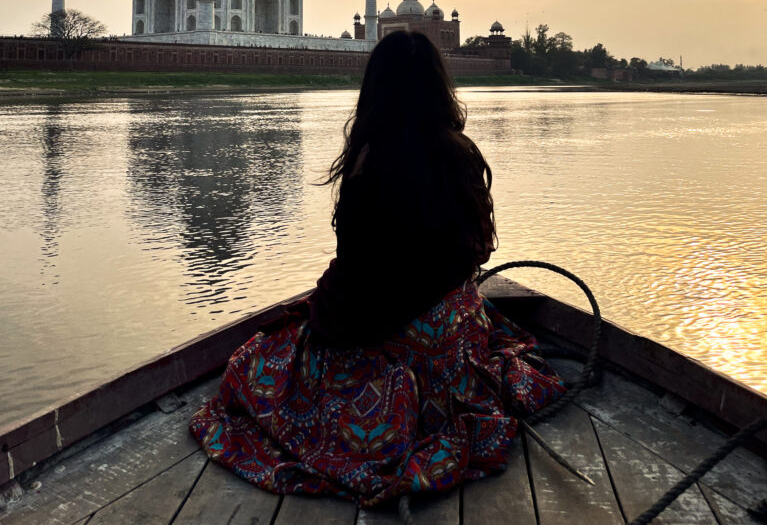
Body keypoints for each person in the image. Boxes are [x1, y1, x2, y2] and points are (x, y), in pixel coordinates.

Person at [190, 30, 564, 507]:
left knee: (251, 366)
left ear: (376, 90)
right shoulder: (461, 154)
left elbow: (355, 273)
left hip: (384, 337)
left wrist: (324, 308)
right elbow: (477, 250)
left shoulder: (369, 161)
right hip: (450, 337)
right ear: (437, 87)